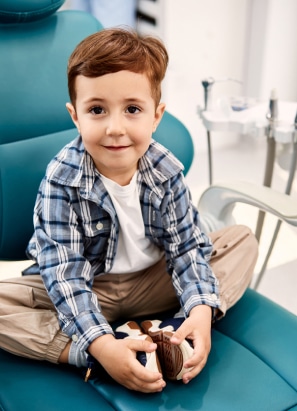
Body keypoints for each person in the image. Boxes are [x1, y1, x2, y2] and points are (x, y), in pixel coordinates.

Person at [0, 28, 258, 394]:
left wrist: (201, 312)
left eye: (133, 110)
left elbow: (186, 249)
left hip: (154, 282)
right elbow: (66, 277)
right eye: (97, 110)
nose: (115, 128)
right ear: (75, 117)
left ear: (156, 116)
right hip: (92, 289)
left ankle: (181, 324)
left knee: (241, 240)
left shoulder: (165, 170)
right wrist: (100, 345)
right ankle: (87, 349)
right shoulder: (61, 179)